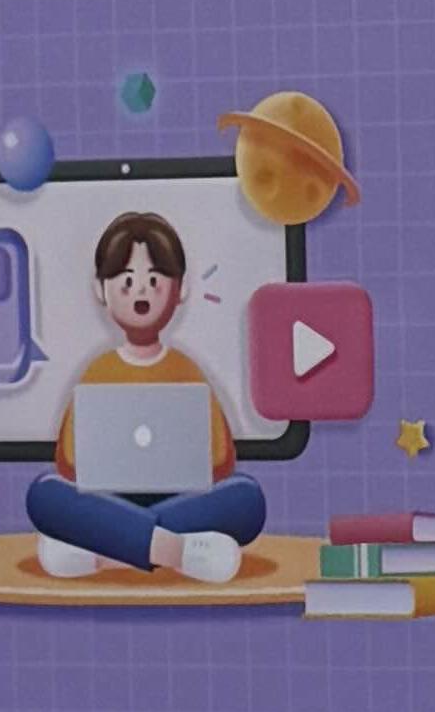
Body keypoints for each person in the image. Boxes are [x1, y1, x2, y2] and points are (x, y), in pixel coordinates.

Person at [25, 206, 267, 584]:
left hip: (180, 500)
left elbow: (221, 463)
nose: (141, 290)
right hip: (108, 500)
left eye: (154, 279)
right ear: (101, 290)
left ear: (180, 289)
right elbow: (69, 465)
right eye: (126, 280)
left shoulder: (188, 371)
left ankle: (106, 551)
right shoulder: (98, 372)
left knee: (246, 498)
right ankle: (178, 551)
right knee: (45, 494)